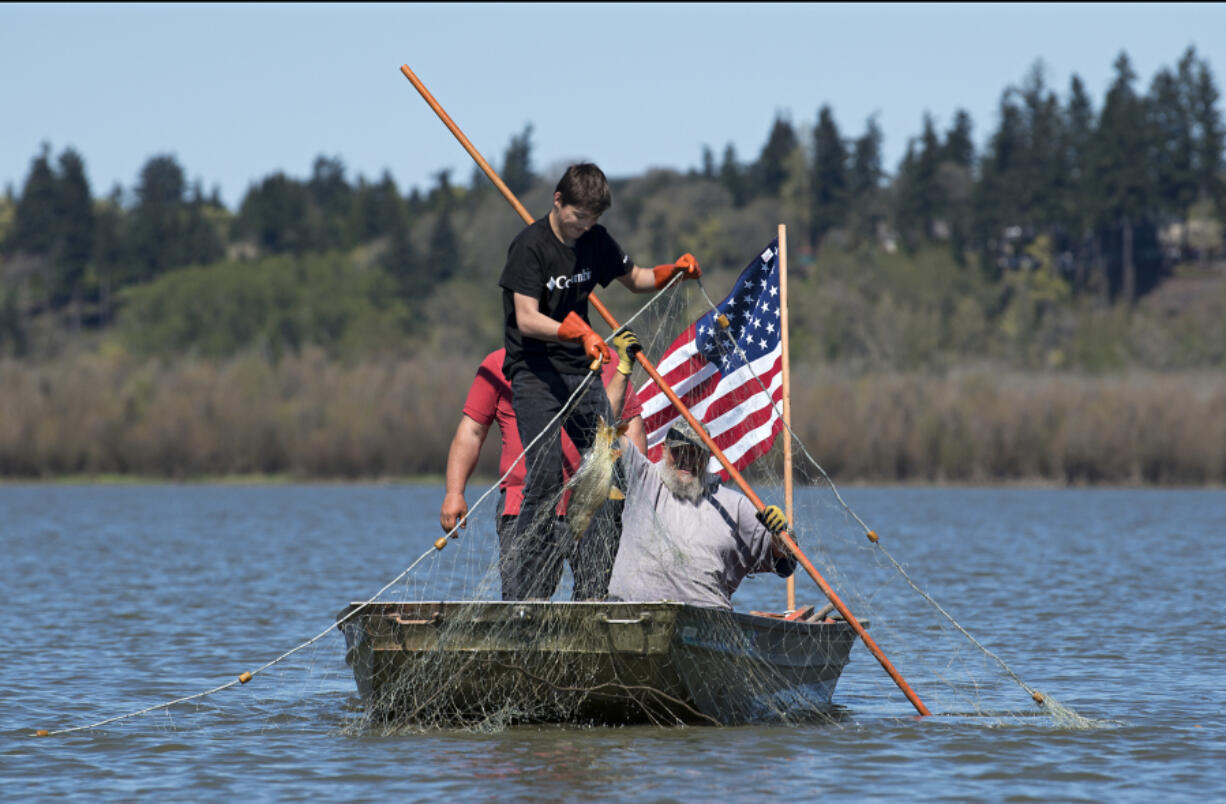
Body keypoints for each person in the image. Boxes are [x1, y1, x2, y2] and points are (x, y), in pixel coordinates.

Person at [498, 162, 701, 600]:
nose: (585, 226)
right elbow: (527, 319)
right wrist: (571, 330)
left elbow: (638, 279)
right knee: (548, 473)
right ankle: (523, 593)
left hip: (580, 369)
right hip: (534, 373)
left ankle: (594, 585)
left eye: (593, 219)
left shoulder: (596, 241)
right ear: (558, 201)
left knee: (608, 464)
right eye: (578, 217)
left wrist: (674, 271)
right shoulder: (529, 247)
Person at [602, 330, 795, 610]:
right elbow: (605, 423)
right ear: (665, 451)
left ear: (707, 460)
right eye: (679, 453)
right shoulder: (643, 477)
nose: (686, 462)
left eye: (695, 455)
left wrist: (781, 534)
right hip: (629, 614)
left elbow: (785, 563)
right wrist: (622, 369)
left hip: (704, 625)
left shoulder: (736, 506)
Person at [440, 347, 647, 601]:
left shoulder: (606, 360)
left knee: (597, 600)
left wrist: (635, 494)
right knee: (524, 604)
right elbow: (472, 431)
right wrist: (454, 492)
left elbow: (631, 425)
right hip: (523, 508)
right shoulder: (498, 363)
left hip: (596, 506)